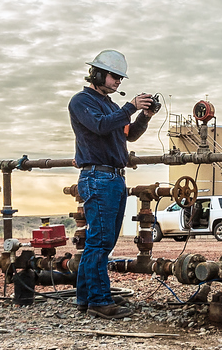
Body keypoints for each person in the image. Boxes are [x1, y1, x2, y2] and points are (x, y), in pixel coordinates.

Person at [68, 49, 155, 318]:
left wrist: (145, 116)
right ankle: (100, 301)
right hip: (98, 177)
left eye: (120, 77)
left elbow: (128, 135)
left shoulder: (112, 107)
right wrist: (130, 107)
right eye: (114, 76)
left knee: (101, 241)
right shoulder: (82, 101)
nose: (118, 81)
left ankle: (85, 298)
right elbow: (100, 126)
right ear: (97, 74)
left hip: (113, 178)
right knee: (100, 242)